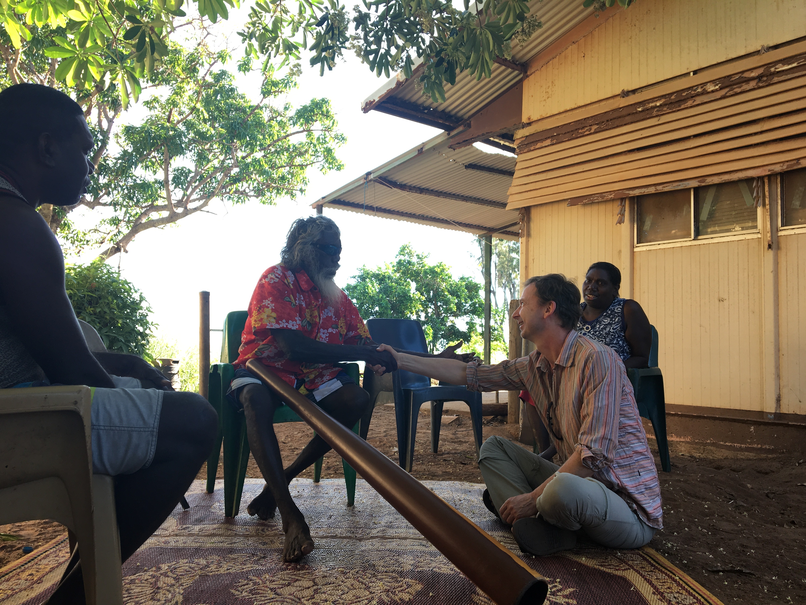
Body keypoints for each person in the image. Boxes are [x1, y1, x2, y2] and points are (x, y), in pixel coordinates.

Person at [0, 83, 218, 604]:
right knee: (194, 423)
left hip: (23, 398)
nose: (91, 165)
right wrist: (135, 397)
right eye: (83, 149)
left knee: (141, 394)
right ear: (47, 147)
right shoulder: (16, 225)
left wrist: (129, 368)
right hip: (20, 423)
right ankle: (74, 598)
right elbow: (74, 370)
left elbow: (50, 344)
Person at [375, 274, 662, 557]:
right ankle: (539, 523)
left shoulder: (597, 359)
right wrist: (399, 361)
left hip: (627, 507)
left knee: (558, 491)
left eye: (523, 304)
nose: (515, 313)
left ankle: (532, 514)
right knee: (494, 448)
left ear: (548, 309)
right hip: (582, 488)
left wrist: (530, 499)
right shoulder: (535, 365)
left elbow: (593, 455)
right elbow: (468, 373)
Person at [576, 261, 651, 369]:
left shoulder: (627, 310)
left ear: (615, 289)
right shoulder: (573, 312)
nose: (591, 287)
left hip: (614, 381)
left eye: (600, 283)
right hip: (575, 380)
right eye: (588, 281)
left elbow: (641, 358)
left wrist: (609, 372)